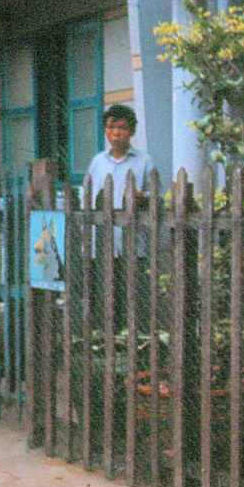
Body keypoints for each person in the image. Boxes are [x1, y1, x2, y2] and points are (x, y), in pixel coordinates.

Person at [86, 104, 153, 334]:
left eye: (122, 128)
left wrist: (142, 196)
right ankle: (107, 349)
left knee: (133, 304)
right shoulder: (97, 163)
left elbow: (158, 199)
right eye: (111, 127)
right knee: (105, 304)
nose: (116, 133)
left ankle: (135, 351)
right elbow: (87, 200)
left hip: (134, 246)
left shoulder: (144, 162)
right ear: (105, 130)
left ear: (132, 132)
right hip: (102, 246)